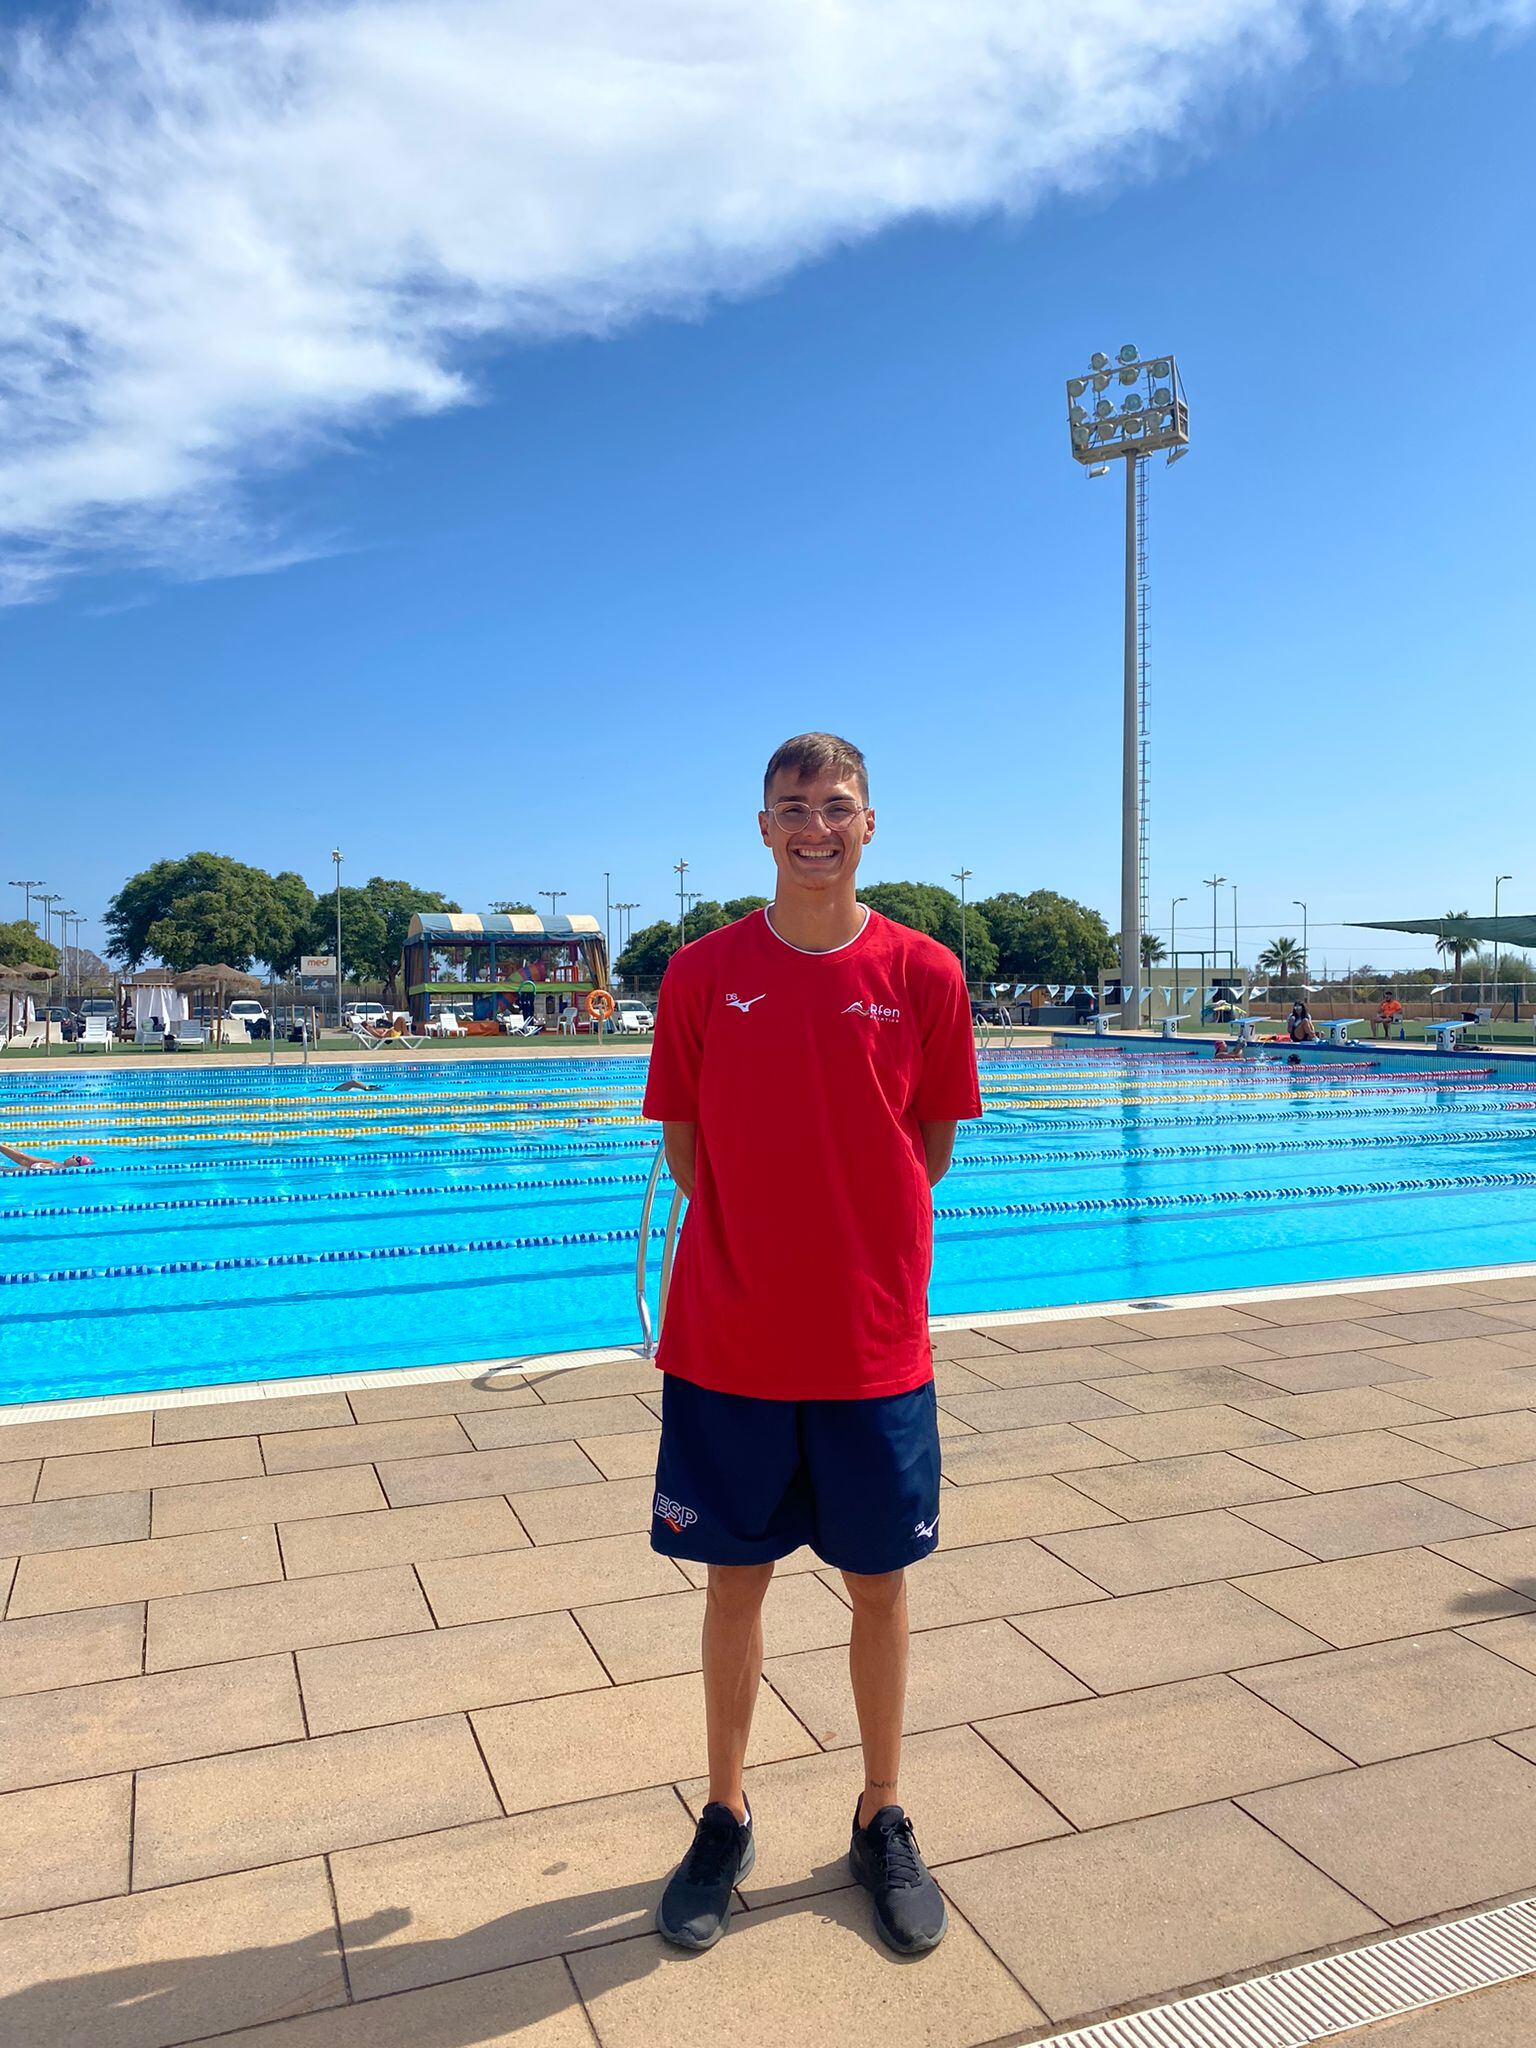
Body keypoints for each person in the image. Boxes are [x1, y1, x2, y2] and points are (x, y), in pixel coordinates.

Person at [643, 732, 980, 1959]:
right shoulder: (701, 972)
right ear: (764, 824)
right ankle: (724, 1813)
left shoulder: (925, 971)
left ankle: (880, 1811)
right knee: (737, 1581)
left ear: (869, 824)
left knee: (880, 1582)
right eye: (794, 807)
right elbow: (686, 1149)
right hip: (729, 1338)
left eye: (836, 807)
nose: (815, 826)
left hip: (871, 1339)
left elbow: (927, 1146)